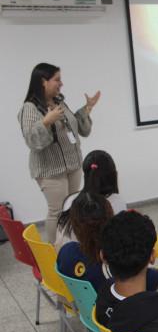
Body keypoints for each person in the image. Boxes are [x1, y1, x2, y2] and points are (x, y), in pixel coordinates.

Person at [18, 63, 100, 244]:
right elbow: (32, 140)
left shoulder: (58, 102)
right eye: (57, 79)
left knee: (74, 208)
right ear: (43, 81)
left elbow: (76, 127)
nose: (61, 84)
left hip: (73, 165)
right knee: (57, 211)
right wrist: (46, 121)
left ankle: (72, 244)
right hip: (50, 170)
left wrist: (87, 108)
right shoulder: (30, 108)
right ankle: (55, 252)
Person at [56, 192, 158, 293]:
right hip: (122, 317)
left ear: (75, 226)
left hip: (86, 313)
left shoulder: (66, 252)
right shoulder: (122, 269)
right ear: (110, 219)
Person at [56, 150, 127, 246]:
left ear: (86, 174)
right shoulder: (116, 201)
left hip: (67, 258)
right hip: (95, 258)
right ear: (113, 175)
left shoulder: (70, 200)